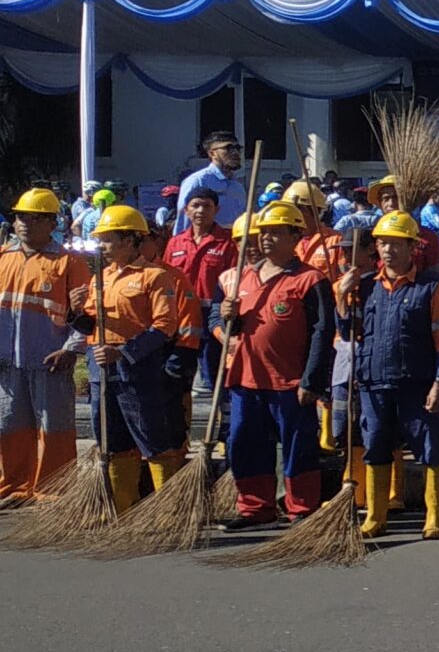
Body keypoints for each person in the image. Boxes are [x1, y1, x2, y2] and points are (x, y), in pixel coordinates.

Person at [213, 203, 334, 528]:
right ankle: (255, 507)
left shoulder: (310, 280)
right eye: (264, 232)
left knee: (298, 445)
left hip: (290, 381)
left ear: (295, 236)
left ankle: (301, 508)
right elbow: (234, 330)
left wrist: (312, 380)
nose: (267, 239)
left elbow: (323, 332)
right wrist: (230, 319)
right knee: (243, 442)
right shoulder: (244, 277)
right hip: (246, 378)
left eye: (277, 232)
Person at [68, 206, 192, 515]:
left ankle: (167, 513)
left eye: (109, 240)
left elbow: (165, 326)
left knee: (152, 438)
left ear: (130, 241)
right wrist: (74, 314)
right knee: (113, 442)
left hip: (138, 369)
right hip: (100, 368)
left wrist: (124, 352)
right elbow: (93, 324)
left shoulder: (155, 275)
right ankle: (124, 511)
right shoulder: (103, 277)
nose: (103, 247)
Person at [344, 211, 439, 539]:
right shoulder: (364, 287)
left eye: (395, 244)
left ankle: (434, 517)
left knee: (430, 448)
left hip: (417, 383)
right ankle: (376, 517)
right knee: (376, 444)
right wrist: (342, 297)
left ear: (412, 248)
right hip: (373, 381)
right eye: (382, 243)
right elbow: (349, 333)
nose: (388, 250)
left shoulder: (430, 288)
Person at [0, 188, 91, 502]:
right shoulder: (3, 257)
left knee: (55, 428)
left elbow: (87, 313)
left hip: (50, 358)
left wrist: (72, 349)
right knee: (10, 426)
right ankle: (14, 485)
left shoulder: (69, 262)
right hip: (8, 362)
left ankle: (53, 491)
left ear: (52, 223)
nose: (25, 223)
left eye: (36, 218)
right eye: (21, 216)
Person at [161, 190, 235, 398]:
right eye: (195, 205)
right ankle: (181, 428)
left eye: (207, 206)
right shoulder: (175, 242)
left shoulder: (228, 242)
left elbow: (234, 279)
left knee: (216, 376)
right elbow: (166, 278)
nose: (200, 210)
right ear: (186, 210)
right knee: (177, 378)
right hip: (181, 318)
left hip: (212, 316)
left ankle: (224, 425)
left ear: (216, 210)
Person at [176, 131, 250, 228]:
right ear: (212, 153)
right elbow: (183, 221)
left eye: (237, 148)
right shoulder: (198, 181)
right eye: (228, 148)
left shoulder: (237, 187)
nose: (235, 153)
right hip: (206, 242)